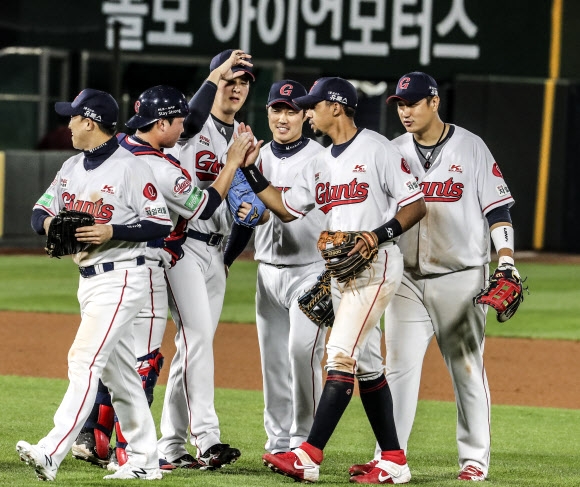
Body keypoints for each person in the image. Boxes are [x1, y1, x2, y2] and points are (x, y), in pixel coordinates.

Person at [238, 77, 426, 484]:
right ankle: (394, 458)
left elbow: (416, 205)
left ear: (336, 107)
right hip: (341, 272)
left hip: (376, 266)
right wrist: (252, 171)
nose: (307, 112)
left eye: (313, 105)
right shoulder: (322, 162)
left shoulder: (377, 149)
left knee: (339, 354)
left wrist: (377, 235)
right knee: (369, 366)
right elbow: (286, 209)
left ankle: (308, 454)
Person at [70, 78, 254, 469]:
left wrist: (213, 78)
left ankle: (98, 433)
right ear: (162, 123)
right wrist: (233, 161)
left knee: (119, 352)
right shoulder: (159, 164)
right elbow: (204, 206)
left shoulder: (121, 146)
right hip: (154, 262)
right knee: (141, 359)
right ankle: (129, 451)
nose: (185, 125)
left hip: (123, 262)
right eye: (177, 121)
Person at [353, 71, 517, 482]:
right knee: (398, 371)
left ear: (433, 102)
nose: (405, 111)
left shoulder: (470, 147)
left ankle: (474, 459)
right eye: (400, 105)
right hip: (406, 279)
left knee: (466, 368)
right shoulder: (392, 151)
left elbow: (497, 209)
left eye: (412, 103)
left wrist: (507, 260)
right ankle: (391, 458)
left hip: (460, 278)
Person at [17, 88, 173, 481]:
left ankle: (51, 451)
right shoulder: (71, 166)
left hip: (123, 276)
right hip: (89, 281)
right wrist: (54, 224)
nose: (67, 124)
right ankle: (144, 461)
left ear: (89, 121)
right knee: (120, 377)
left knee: (83, 360)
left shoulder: (131, 168)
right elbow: (39, 212)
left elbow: (159, 223)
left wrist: (111, 229)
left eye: (72, 117)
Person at [156, 48, 258, 470]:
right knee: (195, 339)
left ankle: (170, 447)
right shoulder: (188, 123)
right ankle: (208, 439)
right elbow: (192, 122)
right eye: (230, 78)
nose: (235, 87)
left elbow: (245, 211)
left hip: (216, 252)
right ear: (215, 79)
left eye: (244, 81)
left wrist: (230, 259)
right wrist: (215, 75)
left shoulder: (243, 137)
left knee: (191, 348)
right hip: (183, 245)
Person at [252, 80, 328, 454]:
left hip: (310, 269)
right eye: (276, 109)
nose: (283, 117)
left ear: (305, 114)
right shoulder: (259, 154)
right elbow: (246, 218)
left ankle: (305, 440)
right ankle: (279, 440)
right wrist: (228, 258)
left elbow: (285, 208)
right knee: (273, 362)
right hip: (267, 271)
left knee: (302, 354)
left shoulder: (321, 157)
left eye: (291, 110)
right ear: (267, 112)